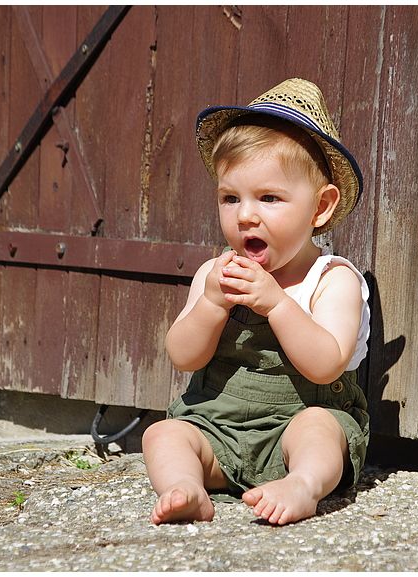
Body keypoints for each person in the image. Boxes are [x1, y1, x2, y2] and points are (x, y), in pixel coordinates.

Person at [142, 78, 370, 526]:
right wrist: (210, 304)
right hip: (218, 429)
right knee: (164, 433)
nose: (246, 214)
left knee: (321, 432)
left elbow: (326, 364)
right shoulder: (216, 275)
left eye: (269, 198)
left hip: (297, 425)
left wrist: (278, 306)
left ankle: (302, 486)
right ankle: (185, 487)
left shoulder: (331, 279)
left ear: (320, 208)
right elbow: (183, 356)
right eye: (231, 198)